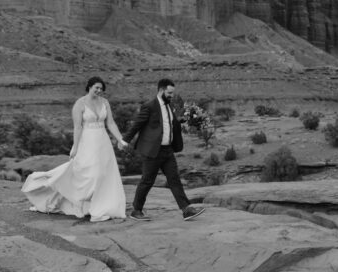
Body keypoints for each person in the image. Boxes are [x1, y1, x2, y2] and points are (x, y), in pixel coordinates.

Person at [22, 76, 127, 223]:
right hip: (88, 142)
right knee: (91, 174)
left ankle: (99, 205)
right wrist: (75, 147)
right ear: (89, 87)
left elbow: (110, 123)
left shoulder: (105, 102)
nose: (99, 91)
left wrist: (120, 139)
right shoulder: (80, 104)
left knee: (104, 173)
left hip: (103, 142)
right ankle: (82, 203)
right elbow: (78, 127)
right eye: (96, 88)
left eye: (101, 89)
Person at [124, 77, 205, 221]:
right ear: (161, 90)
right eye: (169, 93)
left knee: (175, 180)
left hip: (168, 151)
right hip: (153, 151)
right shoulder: (149, 106)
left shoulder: (168, 105)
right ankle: (136, 210)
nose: (171, 96)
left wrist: (183, 120)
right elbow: (137, 124)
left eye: (172, 93)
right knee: (147, 181)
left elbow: (170, 123)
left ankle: (186, 210)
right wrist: (125, 140)